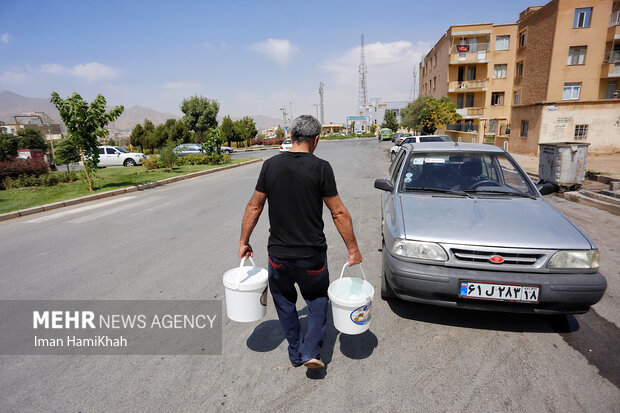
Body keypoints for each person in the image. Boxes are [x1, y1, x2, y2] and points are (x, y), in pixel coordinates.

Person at [239, 115, 362, 371]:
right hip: (312, 256)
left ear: (292, 135)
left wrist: (244, 241)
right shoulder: (321, 168)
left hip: (279, 256)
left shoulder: (270, 166)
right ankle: (311, 352)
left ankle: (295, 352)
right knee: (317, 299)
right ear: (315, 140)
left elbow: (254, 206)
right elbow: (338, 212)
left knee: (284, 301)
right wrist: (353, 249)